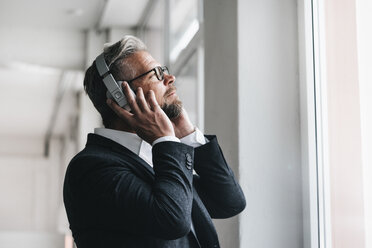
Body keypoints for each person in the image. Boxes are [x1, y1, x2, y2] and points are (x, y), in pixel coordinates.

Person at [63, 35, 246, 248]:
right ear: (122, 95)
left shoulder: (152, 158)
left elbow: (230, 202)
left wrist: (186, 135)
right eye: (156, 74)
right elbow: (172, 221)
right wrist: (165, 140)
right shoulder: (91, 168)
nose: (170, 78)